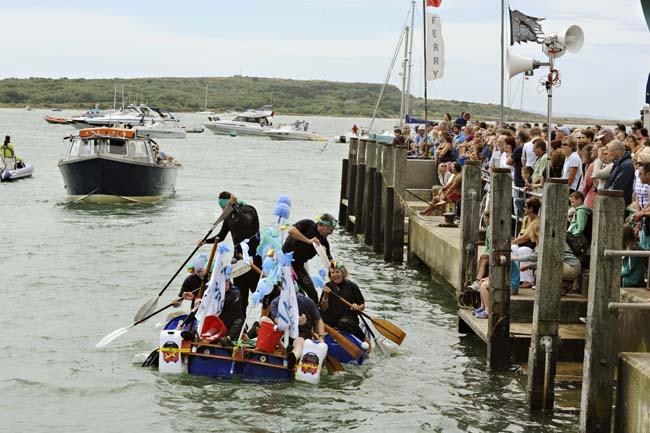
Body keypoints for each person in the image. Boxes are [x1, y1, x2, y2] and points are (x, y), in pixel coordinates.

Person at [202, 191, 261, 314]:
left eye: (224, 207)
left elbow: (247, 222)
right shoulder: (228, 217)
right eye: (222, 208)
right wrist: (204, 241)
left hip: (252, 259)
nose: (223, 210)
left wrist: (234, 206)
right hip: (237, 260)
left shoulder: (249, 210)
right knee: (241, 297)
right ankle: (241, 327)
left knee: (260, 293)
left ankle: (267, 321)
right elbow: (221, 236)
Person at [282, 214, 336, 304]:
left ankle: (315, 316)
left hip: (298, 267)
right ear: (324, 225)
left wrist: (323, 253)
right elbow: (291, 231)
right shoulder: (308, 224)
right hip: (284, 263)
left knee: (313, 294)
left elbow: (330, 263)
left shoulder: (324, 242)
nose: (331, 233)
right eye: (330, 230)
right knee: (298, 293)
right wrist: (309, 241)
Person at [269, 287, 325, 370]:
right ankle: (284, 351)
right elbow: (277, 321)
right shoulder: (275, 302)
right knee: (264, 320)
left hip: (302, 331)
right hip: (283, 332)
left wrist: (321, 337)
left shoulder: (307, 301)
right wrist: (295, 321)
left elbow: (318, 319)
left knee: (299, 341)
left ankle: (293, 357)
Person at [319, 260, 366, 341]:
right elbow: (323, 308)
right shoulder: (328, 286)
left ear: (343, 273)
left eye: (338, 272)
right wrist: (326, 296)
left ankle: (364, 340)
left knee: (344, 322)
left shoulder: (352, 286)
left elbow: (362, 305)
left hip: (347, 320)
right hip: (331, 320)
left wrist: (357, 307)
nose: (335, 275)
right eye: (333, 272)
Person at [605, 140, 635, 206]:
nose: (609, 154)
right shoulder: (618, 163)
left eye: (610, 151)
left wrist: (606, 195)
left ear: (617, 150)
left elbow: (618, 185)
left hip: (619, 203)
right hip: (614, 201)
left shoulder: (627, 165)